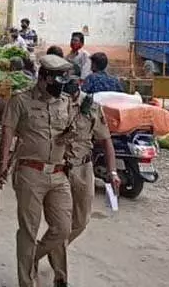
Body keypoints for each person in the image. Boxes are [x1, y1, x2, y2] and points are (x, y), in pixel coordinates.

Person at [0, 54, 75, 287]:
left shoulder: (65, 101)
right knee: (29, 230)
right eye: (54, 84)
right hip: (30, 172)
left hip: (59, 173)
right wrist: (2, 165)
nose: (57, 90)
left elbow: (70, 131)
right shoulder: (20, 101)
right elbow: (7, 134)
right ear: (43, 78)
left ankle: (34, 258)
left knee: (63, 228)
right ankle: (27, 282)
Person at [47, 84, 119, 286]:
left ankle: (47, 248)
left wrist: (112, 172)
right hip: (59, 169)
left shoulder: (92, 106)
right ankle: (60, 277)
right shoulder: (54, 103)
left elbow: (106, 141)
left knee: (81, 220)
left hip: (83, 168)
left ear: (78, 81)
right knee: (61, 224)